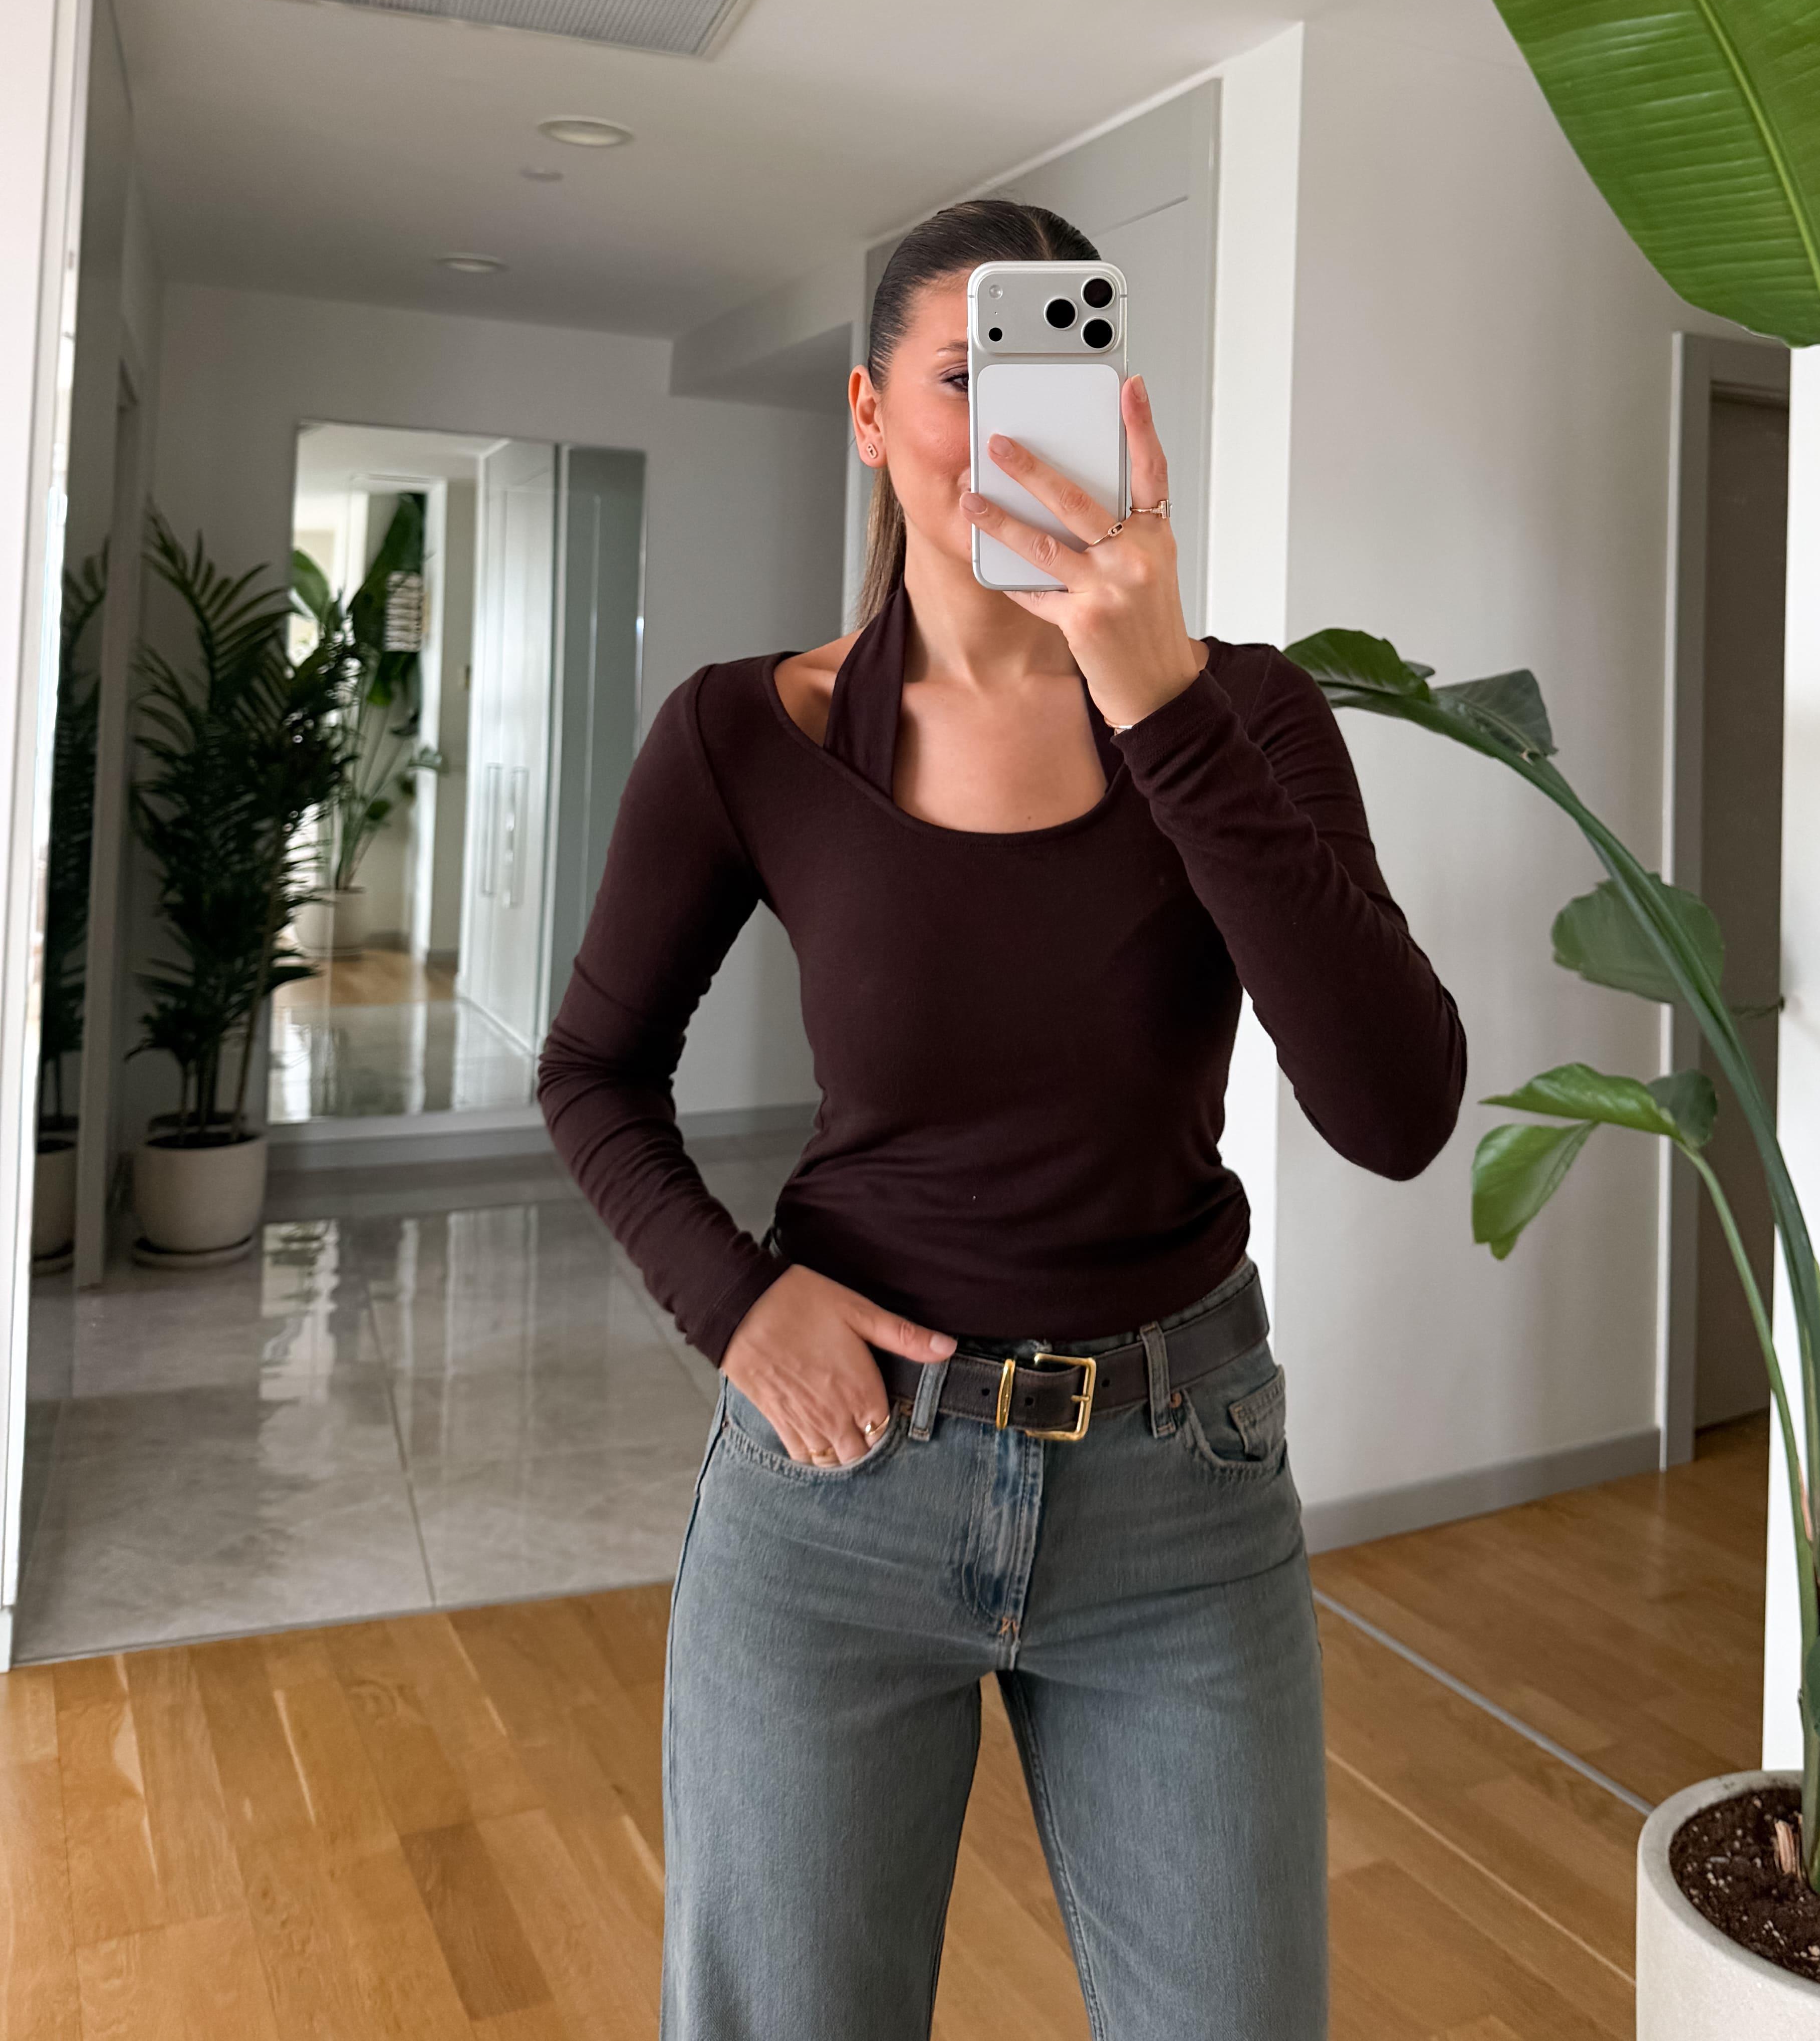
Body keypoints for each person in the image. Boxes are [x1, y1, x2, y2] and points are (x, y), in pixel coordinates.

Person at [538, 195, 1466, 2041]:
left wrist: (1159, 700)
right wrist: (737, 1303)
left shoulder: (1246, 713)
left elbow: (1395, 1110)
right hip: (837, 1493)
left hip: (1180, 1494)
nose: (1010, 421)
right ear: (869, 413)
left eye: (1062, 367)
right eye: (967, 375)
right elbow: (593, 1071)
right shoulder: (744, 733)